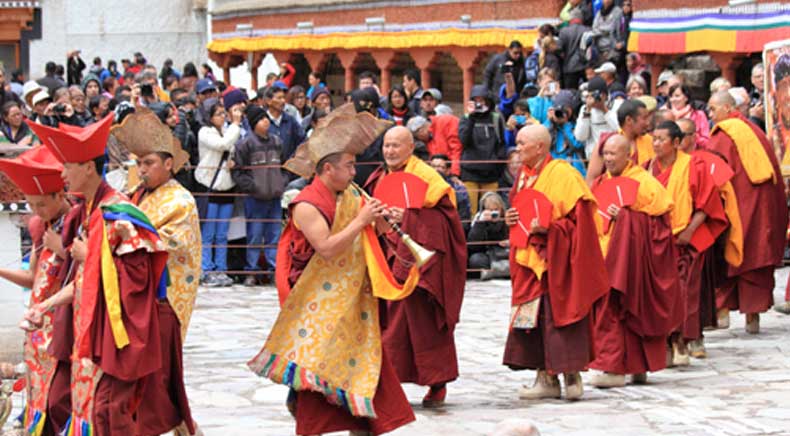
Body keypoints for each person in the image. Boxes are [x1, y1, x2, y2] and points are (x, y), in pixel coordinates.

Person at [248, 106, 415, 435]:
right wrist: (361, 220)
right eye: (349, 165)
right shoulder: (307, 203)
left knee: (363, 359)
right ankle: (309, 410)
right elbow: (326, 248)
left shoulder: (349, 194)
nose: (355, 172)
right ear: (328, 168)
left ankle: (361, 425)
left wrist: (383, 220)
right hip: (320, 298)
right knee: (319, 360)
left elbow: (368, 233)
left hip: (354, 295)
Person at [29, 114, 190, 435]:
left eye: (67, 166)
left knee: (109, 414)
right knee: (82, 407)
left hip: (117, 335)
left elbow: (140, 278)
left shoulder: (119, 214)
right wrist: (45, 307)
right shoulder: (85, 214)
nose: (61, 174)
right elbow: (82, 280)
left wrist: (91, 257)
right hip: (87, 331)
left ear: (88, 167)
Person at [364, 126, 467, 408]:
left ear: (411, 148)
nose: (389, 151)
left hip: (421, 265)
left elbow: (447, 221)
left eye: (396, 146)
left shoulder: (428, 178)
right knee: (389, 324)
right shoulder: (380, 176)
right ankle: (387, 386)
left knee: (425, 323)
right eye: (386, 145)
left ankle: (437, 382)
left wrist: (410, 217)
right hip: (389, 254)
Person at [502, 124, 608, 400]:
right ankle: (545, 378)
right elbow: (519, 210)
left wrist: (550, 230)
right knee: (535, 321)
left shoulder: (564, 175)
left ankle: (572, 376)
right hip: (530, 261)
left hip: (559, 260)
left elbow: (581, 224)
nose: (518, 147)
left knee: (563, 316)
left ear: (540, 147)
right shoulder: (524, 177)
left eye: (523, 143)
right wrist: (511, 220)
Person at [112, 108, 199, 435]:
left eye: (149, 163)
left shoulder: (180, 200)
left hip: (166, 298)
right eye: (139, 163)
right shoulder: (138, 195)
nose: (142, 170)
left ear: (168, 164)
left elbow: (172, 244)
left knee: (160, 379)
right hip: (139, 296)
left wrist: (127, 234)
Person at [589, 134, 681, 388]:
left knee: (627, 310)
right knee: (610, 310)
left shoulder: (644, 183)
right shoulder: (599, 183)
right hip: (605, 257)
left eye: (613, 154)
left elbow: (661, 225)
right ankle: (623, 366)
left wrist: (628, 218)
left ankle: (616, 369)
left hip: (633, 260)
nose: (608, 159)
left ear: (628, 154)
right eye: (604, 154)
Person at [645, 121, 732, 366]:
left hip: (687, 240)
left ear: (676, 142)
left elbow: (706, 204)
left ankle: (681, 340)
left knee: (685, 293)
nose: (656, 143)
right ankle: (665, 341)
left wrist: (689, 231)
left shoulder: (694, 166)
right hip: (658, 243)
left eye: (662, 139)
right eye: (654, 138)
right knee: (660, 294)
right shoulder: (648, 169)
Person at [0, 146, 72, 435]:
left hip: (65, 326)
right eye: (31, 205)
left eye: (41, 205)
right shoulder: (42, 226)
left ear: (59, 195)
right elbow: (34, 278)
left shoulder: (79, 224)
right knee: (38, 399)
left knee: (61, 401)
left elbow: (93, 270)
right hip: (38, 327)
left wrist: (63, 251)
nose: (37, 212)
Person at [705, 91, 787, 333]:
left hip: (739, 209)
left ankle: (721, 316)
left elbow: (715, 172)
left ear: (728, 108)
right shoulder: (755, 131)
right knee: (756, 256)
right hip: (764, 210)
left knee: (728, 254)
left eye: (713, 109)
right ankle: (753, 319)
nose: (710, 115)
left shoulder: (724, 133)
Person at [232, 105, 285, 286]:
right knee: (254, 235)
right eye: (262, 119)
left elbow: (285, 166)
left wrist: (281, 182)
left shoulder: (277, 141)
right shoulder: (245, 144)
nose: (266, 121)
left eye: (266, 118)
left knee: (274, 236)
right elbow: (238, 172)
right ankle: (251, 271)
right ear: (254, 123)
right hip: (255, 198)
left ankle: (273, 270)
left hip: (275, 196)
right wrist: (252, 187)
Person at [195, 98, 242, 287]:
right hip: (210, 185)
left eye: (224, 113)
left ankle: (221, 268)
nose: (223, 117)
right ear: (209, 116)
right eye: (219, 114)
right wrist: (236, 125)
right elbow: (222, 144)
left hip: (226, 185)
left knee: (222, 233)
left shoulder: (228, 131)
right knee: (209, 232)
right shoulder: (205, 132)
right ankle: (207, 269)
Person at [459, 85, 507, 215]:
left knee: (491, 210)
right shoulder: (466, 119)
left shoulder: (496, 118)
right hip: (470, 172)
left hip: (490, 174)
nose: (479, 104)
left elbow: (502, 144)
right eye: (476, 100)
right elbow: (464, 141)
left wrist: (497, 164)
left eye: (482, 100)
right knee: (471, 211)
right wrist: (471, 118)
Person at [586, 99, 652, 184]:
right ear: (629, 120)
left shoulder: (650, 141)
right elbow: (591, 179)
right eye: (644, 118)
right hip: (613, 193)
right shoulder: (607, 142)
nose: (648, 123)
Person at [574, 76, 618, 159]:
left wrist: (604, 110)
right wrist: (587, 112)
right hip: (594, 157)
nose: (595, 98)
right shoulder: (585, 109)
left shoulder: (616, 106)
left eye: (596, 95)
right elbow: (580, 137)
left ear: (605, 95)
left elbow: (619, 129)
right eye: (591, 95)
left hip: (613, 155)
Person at [468, 191, 509, 279]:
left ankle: (495, 272)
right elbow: (472, 246)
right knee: (475, 260)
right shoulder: (479, 220)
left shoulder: (507, 219)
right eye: (490, 210)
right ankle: (502, 272)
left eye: (496, 210)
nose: (494, 213)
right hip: (488, 255)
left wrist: (509, 242)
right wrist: (480, 223)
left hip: (505, 254)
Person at [544, 90, 586, 175]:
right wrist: (549, 121)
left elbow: (577, 145)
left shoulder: (576, 125)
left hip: (573, 171)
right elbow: (541, 139)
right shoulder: (549, 126)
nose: (562, 112)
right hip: (554, 170)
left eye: (565, 109)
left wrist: (566, 125)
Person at [429, 153, 472, 232]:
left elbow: (464, 220)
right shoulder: (423, 187)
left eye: (440, 167)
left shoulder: (458, 190)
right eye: (433, 166)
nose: (435, 170)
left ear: (448, 170)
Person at [265, 86, 305, 162]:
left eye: (284, 98)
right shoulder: (262, 121)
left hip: (289, 169)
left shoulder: (290, 120)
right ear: (268, 101)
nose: (283, 101)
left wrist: (294, 158)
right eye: (279, 98)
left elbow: (303, 140)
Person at [664, 84, 710, 148]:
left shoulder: (699, 115)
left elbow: (706, 141)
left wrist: (690, 136)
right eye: (671, 96)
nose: (673, 99)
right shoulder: (665, 115)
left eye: (677, 96)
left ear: (686, 98)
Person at [558, 8, 590, 89]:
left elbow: (559, 48)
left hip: (569, 67)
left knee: (571, 92)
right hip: (585, 66)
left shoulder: (564, 31)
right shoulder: (587, 30)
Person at [591, 0, 626, 64]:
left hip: (612, 50)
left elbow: (614, 29)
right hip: (599, 49)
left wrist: (601, 30)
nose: (606, 1)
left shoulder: (618, 11)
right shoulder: (599, 12)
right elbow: (594, 28)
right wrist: (603, 31)